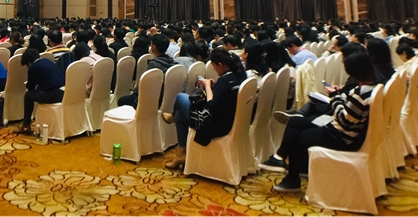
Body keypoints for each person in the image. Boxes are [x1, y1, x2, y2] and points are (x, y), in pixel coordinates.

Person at [260, 51, 377, 193]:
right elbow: (349, 110)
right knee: (295, 122)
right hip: (343, 131)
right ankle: (283, 160)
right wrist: (339, 96)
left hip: (342, 136)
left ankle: (291, 177)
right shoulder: (371, 88)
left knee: (298, 136)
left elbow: (344, 119)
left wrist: (335, 98)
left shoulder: (361, 94)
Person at [162, 49, 247, 169]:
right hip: (229, 120)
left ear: (220, 65)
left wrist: (207, 86)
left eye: (214, 66)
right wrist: (214, 87)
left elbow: (211, 106)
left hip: (214, 125)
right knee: (181, 114)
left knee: (181, 97)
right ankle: (180, 153)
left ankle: (173, 117)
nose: (214, 69)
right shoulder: (239, 76)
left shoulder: (224, 81)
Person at [14, 48, 65, 134]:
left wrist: (28, 83)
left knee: (28, 96)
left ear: (28, 62)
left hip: (54, 94)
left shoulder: (33, 67)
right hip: (64, 91)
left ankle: (26, 125)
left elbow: (30, 88)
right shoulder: (47, 61)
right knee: (37, 91)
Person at [118, 34, 177, 108]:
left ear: (154, 47)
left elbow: (146, 85)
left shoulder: (154, 64)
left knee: (121, 100)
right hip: (168, 99)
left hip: (152, 99)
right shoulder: (174, 63)